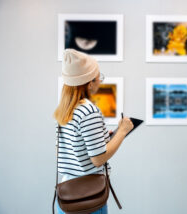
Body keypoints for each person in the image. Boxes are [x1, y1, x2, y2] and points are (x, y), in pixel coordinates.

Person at [53, 49, 134, 214]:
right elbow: (98, 159)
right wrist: (122, 132)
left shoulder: (65, 109)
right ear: (89, 83)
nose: (100, 81)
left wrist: (103, 139)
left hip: (68, 196)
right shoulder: (88, 111)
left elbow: (64, 152)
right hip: (89, 199)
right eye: (99, 77)